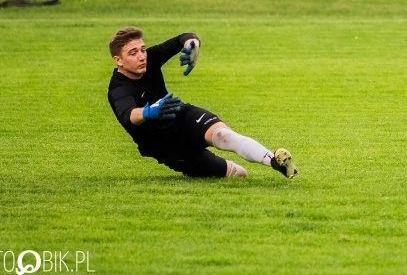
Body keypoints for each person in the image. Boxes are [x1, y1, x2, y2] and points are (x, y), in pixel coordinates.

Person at [106, 27, 298, 180]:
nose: (141, 56)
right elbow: (128, 115)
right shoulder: (119, 88)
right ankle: (222, 167)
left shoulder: (150, 60)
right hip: (167, 147)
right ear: (118, 61)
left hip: (183, 118)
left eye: (142, 49)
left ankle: (274, 162)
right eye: (133, 53)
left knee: (224, 136)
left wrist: (193, 46)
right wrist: (148, 112)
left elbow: (185, 37)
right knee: (238, 174)